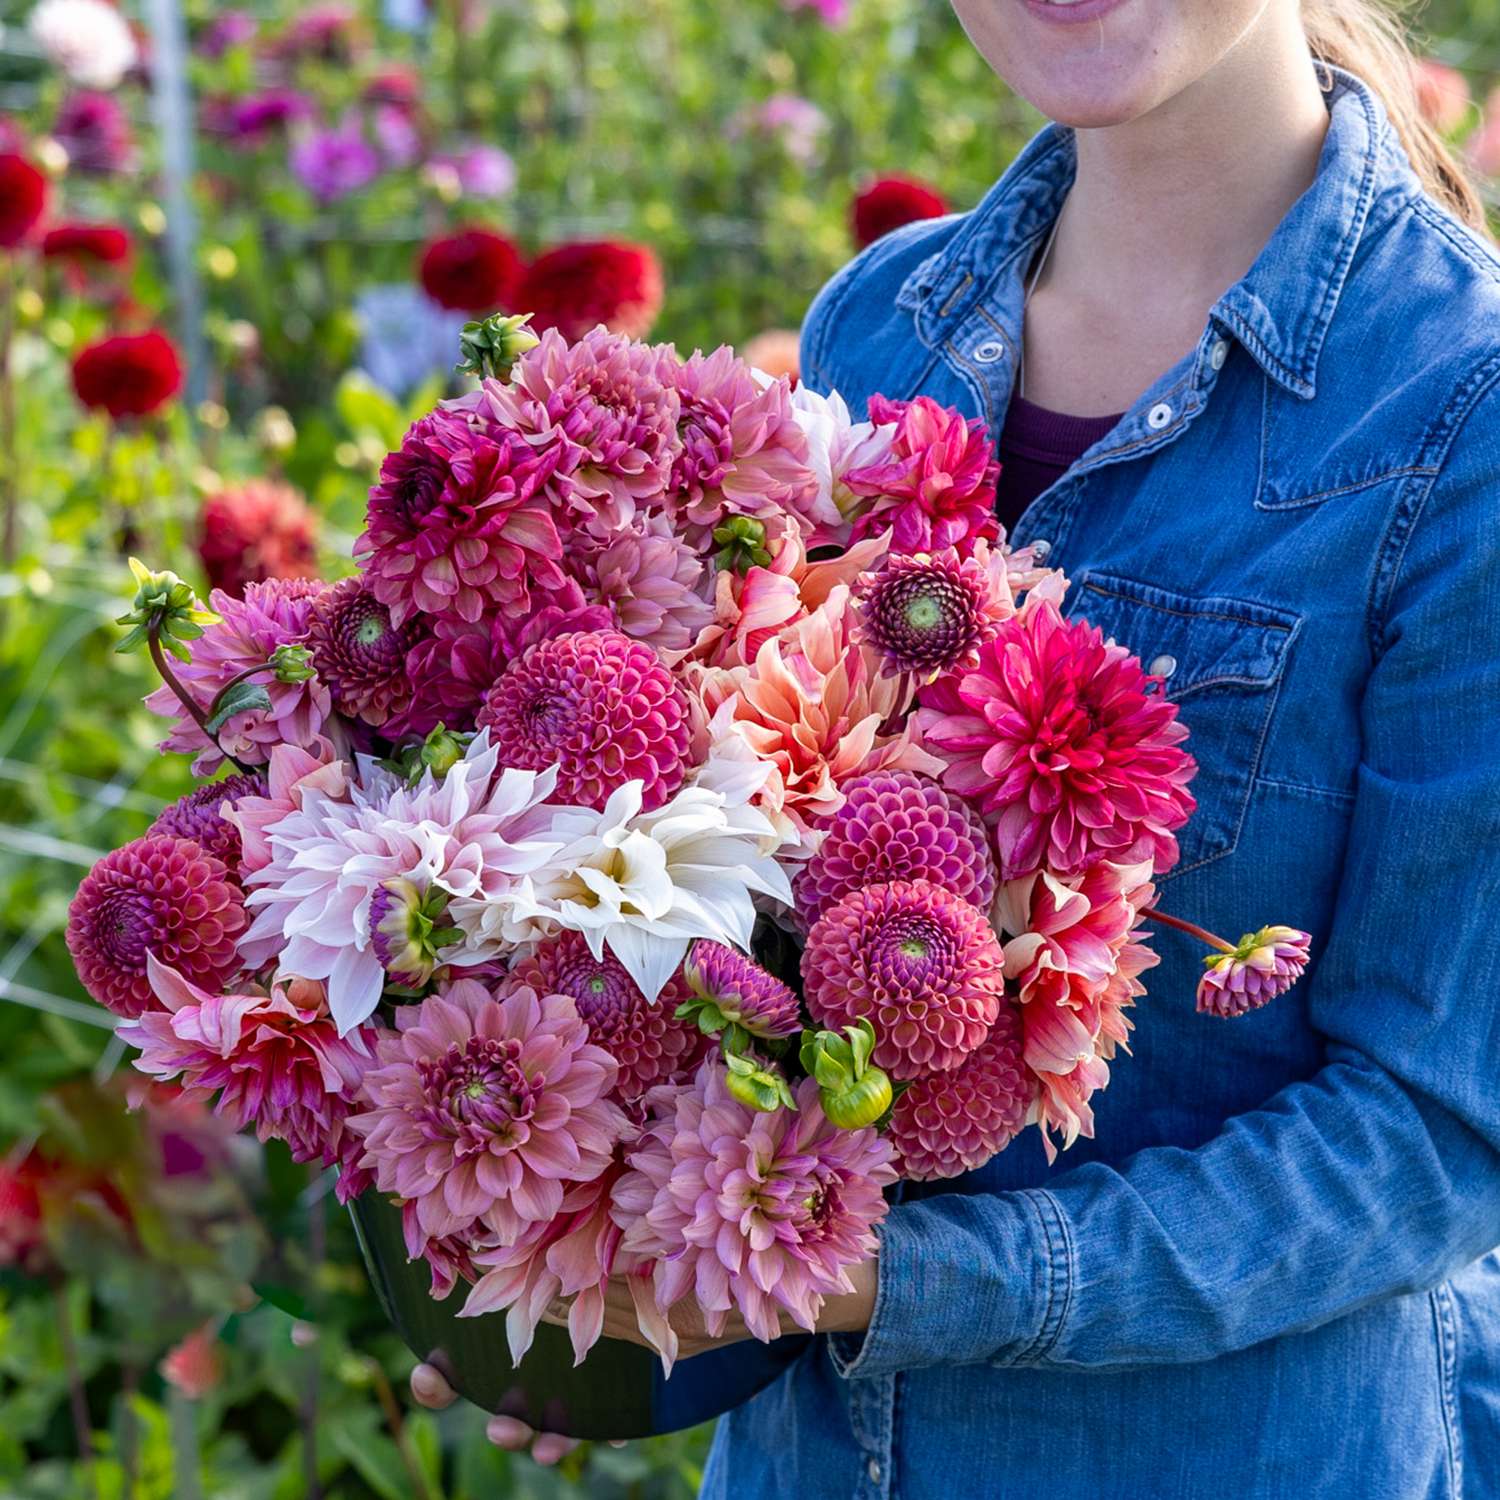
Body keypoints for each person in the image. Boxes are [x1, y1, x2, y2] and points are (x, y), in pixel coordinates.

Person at [414, 2, 1500, 1493]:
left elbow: (1432, 1138)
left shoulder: (1459, 405)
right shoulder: (883, 321)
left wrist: (891, 1281)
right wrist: (612, 1267)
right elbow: (770, 937)